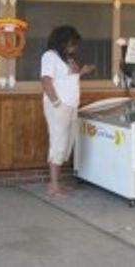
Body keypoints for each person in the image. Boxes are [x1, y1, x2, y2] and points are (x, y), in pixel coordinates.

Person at [40, 25, 94, 198]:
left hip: (71, 105)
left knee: (67, 142)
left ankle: (57, 183)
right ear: (61, 42)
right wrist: (56, 102)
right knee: (58, 141)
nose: (73, 48)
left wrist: (82, 71)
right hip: (59, 106)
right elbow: (46, 79)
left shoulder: (67, 59)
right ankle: (53, 185)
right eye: (71, 44)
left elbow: (69, 77)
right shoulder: (50, 56)